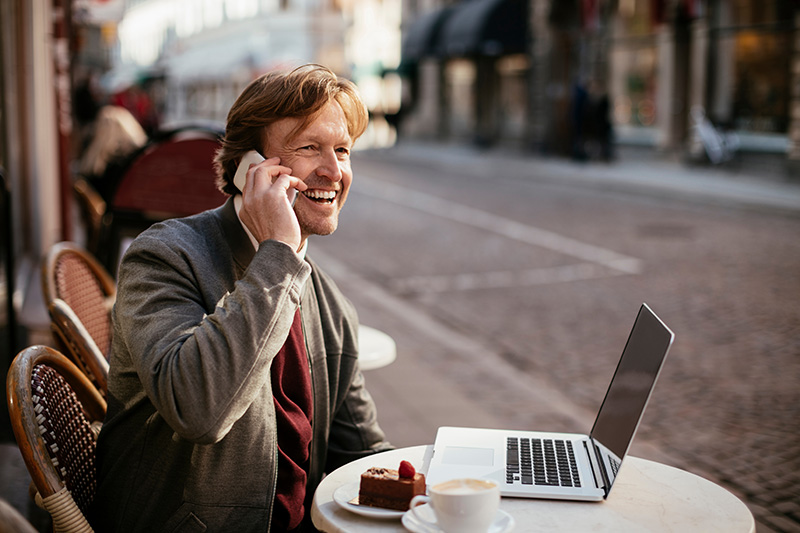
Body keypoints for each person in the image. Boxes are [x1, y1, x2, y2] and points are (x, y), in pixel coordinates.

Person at [90, 64, 393, 532]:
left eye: (343, 151)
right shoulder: (164, 257)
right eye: (309, 147)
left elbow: (361, 455)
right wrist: (276, 254)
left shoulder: (329, 303)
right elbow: (199, 411)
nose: (334, 171)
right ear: (250, 167)